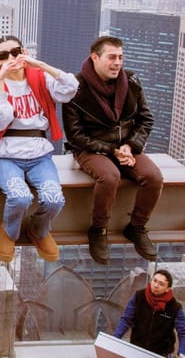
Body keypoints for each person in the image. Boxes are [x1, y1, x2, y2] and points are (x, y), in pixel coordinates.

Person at [63, 36, 162, 264]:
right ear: (95, 58)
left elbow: (145, 118)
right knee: (109, 177)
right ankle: (99, 230)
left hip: (127, 147)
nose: (117, 63)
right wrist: (111, 150)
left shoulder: (131, 82)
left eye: (120, 57)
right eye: (111, 57)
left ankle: (137, 227)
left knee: (153, 177)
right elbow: (76, 136)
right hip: (90, 149)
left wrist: (130, 146)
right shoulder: (76, 90)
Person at [0, 35, 78, 263]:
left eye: (15, 52)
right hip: (5, 155)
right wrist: (1, 82)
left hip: (40, 155)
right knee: (19, 197)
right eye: (4, 55)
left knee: (54, 198)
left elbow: (70, 88)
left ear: (24, 51)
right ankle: (9, 231)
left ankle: (39, 230)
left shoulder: (40, 78)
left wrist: (39, 65)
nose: (11, 58)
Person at [114, 269, 185, 358]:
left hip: (162, 354)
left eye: (161, 284)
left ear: (168, 289)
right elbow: (126, 320)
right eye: (154, 281)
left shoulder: (175, 307)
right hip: (137, 350)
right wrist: (115, 340)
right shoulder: (139, 297)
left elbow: (183, 333)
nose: (156, 285)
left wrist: (183, 354)